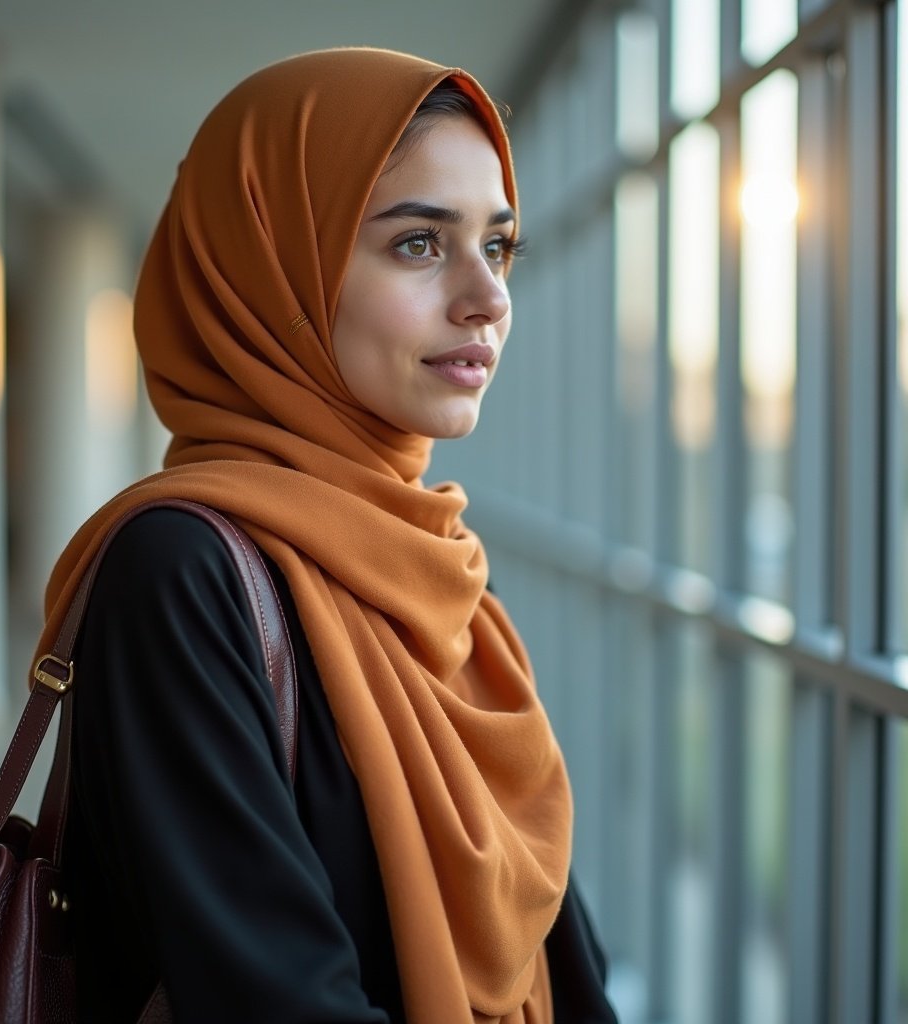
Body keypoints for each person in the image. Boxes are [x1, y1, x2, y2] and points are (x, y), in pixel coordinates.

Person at [36, 47, 617, 1023]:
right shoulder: (179, 573)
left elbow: (559, 947)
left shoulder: (450, 578)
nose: (488, 296)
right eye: (419, 244)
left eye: (498, 245)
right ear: (273, 267)